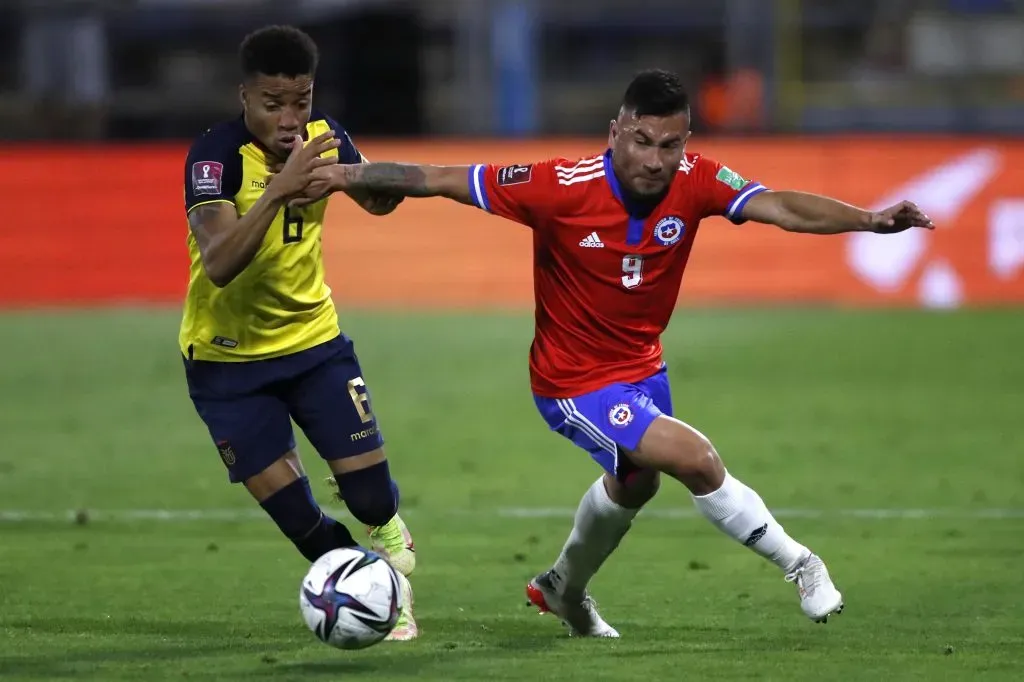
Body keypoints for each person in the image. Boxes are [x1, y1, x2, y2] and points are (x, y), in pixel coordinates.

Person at [284, 69, 934, 637]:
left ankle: (562, 589)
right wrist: (346, 174)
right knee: (694, 460)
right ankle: (802, 564)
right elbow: (439, 177)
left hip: (643, 368)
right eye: (643, 141)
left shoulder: (700, 179)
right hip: (571, 380)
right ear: (615, 130)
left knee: (635, 483)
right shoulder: (558, 186)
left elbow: (783, 207)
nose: (655, 159)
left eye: (671, 145)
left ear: (686, 143)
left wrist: (870, 219)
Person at [180, 25, 417, 641]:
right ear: (245, 96)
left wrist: (352, 178)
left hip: (315, 346)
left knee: (369, 498)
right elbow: (221, 262)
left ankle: (388, 537)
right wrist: (279, 192)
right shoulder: (216, 158)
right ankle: (383, 592)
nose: (290, 118)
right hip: (228, 366)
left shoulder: (325, 136)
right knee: (300, 521)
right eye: (273, 104)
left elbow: (382, 204)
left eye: (302, 101)